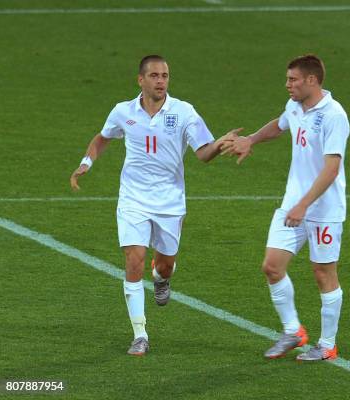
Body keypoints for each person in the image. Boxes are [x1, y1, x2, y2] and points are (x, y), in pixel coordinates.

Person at [69, 55, 240, 356]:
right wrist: (86, 162)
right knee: (134, 259)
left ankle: (161, 278)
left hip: (170, 202)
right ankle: (140, 334)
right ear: (141, 80)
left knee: (164, 264)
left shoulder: (184, 112)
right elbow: (102, 137)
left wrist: (220, 144)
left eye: (165, 76)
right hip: (133, 199)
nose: (161, 81)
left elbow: (203, 153)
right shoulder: (123, 111)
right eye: (155, 76)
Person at [222, 54, 349, 361]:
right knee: (272, 266)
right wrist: (252, 139)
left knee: (323, 273)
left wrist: (304, 205)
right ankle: (293, 331)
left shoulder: (334, 115)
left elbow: (331, 169)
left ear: (312, 80)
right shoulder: (295, 106)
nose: (287, 85)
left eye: (293, 79)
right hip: (292, 206)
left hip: (323, 211)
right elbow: (279, 126)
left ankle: (327, 344)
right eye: (287, 79)